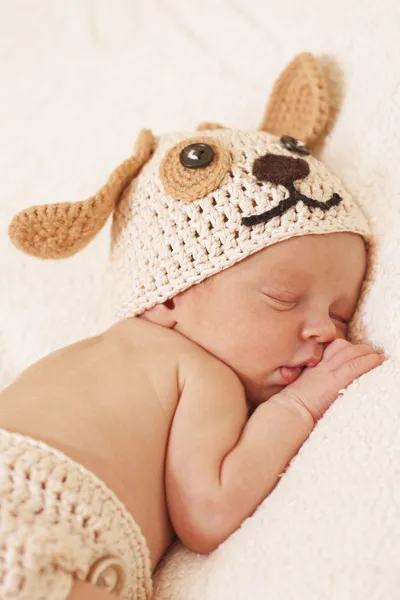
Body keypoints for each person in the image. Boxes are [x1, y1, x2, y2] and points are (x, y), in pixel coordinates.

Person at [2, 52, 385, 600]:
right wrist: (302, 403)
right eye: (284, 299)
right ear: (171, 295)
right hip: (35, 521)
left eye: (340, 314)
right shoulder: (197, 371)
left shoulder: (86, 358)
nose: (325, 331)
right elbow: (208, 511)